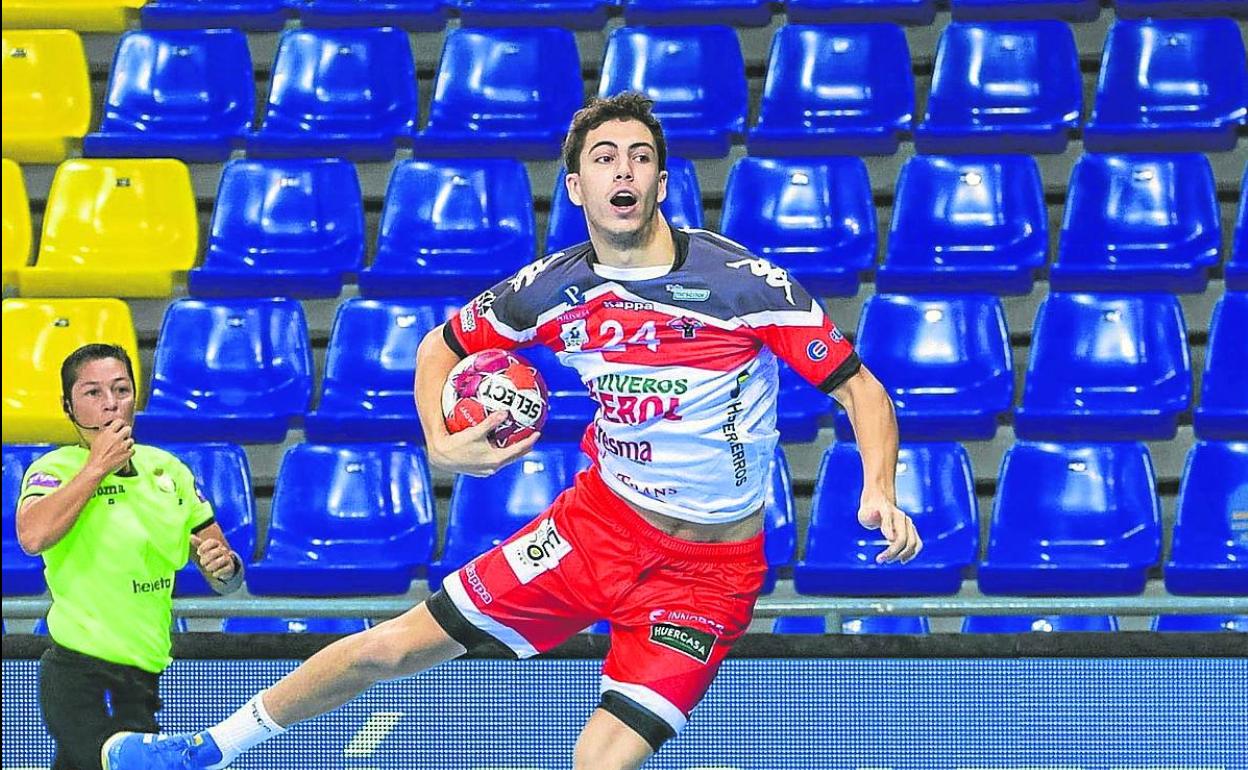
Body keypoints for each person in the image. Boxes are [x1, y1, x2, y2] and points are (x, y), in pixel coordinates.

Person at [104, 92, 922, 770]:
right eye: (604, 159)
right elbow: (442, 346)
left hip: (707, 574)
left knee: (596, 763)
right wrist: (439, 437)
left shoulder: (747, 287)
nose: (623, 171)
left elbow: (861, 389)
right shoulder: (549, 291)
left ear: (662, 181)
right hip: (598, 527)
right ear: (576, 187)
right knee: (388, 647)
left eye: (639, 157)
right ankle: (204, 750)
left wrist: (879, 491)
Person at [15, 343, 244, 770]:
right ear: (68, 406)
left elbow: (225, 571)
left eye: (121, 390)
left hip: (142, 671)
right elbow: (33, 536)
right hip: (79, 669)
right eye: (93, 393)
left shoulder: (168, 470)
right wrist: (96, 467)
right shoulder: (56, 469)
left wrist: (223, 566)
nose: (111, 405)